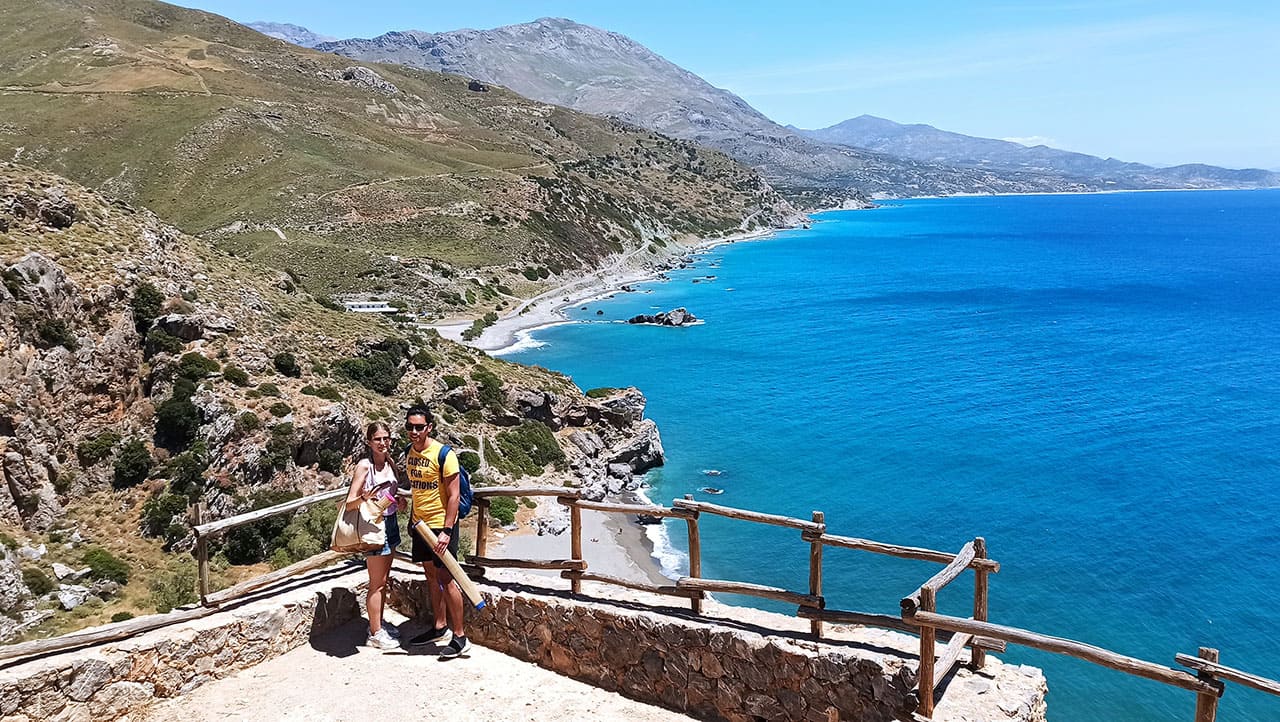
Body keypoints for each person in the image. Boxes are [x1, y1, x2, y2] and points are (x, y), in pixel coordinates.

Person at [403, 405, 472, 658]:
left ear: (429, 427)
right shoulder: (409, 453)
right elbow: (417, 491)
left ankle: (460, 636)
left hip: (441, 526)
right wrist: (412, 518)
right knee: (431, 577)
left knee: (446, 579)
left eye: (419, 427)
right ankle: (439, 626)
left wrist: (446, 530)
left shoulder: (444, 454)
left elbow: (453, 496)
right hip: (420, 525)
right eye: (409, 426)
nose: (414, 431)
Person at [344, 421, 402, 651]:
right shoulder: (364, 467)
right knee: (376, 584)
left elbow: (392, 494)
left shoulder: (390, 464)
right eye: (377, 439)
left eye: (386, 438)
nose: (382, 442)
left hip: (391, 522)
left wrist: (400, 502)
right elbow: (350, 503)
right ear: (369, 442)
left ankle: (378, 624)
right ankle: (375, 633)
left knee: (384, 579)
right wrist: (364, 497)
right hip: (374, 527)